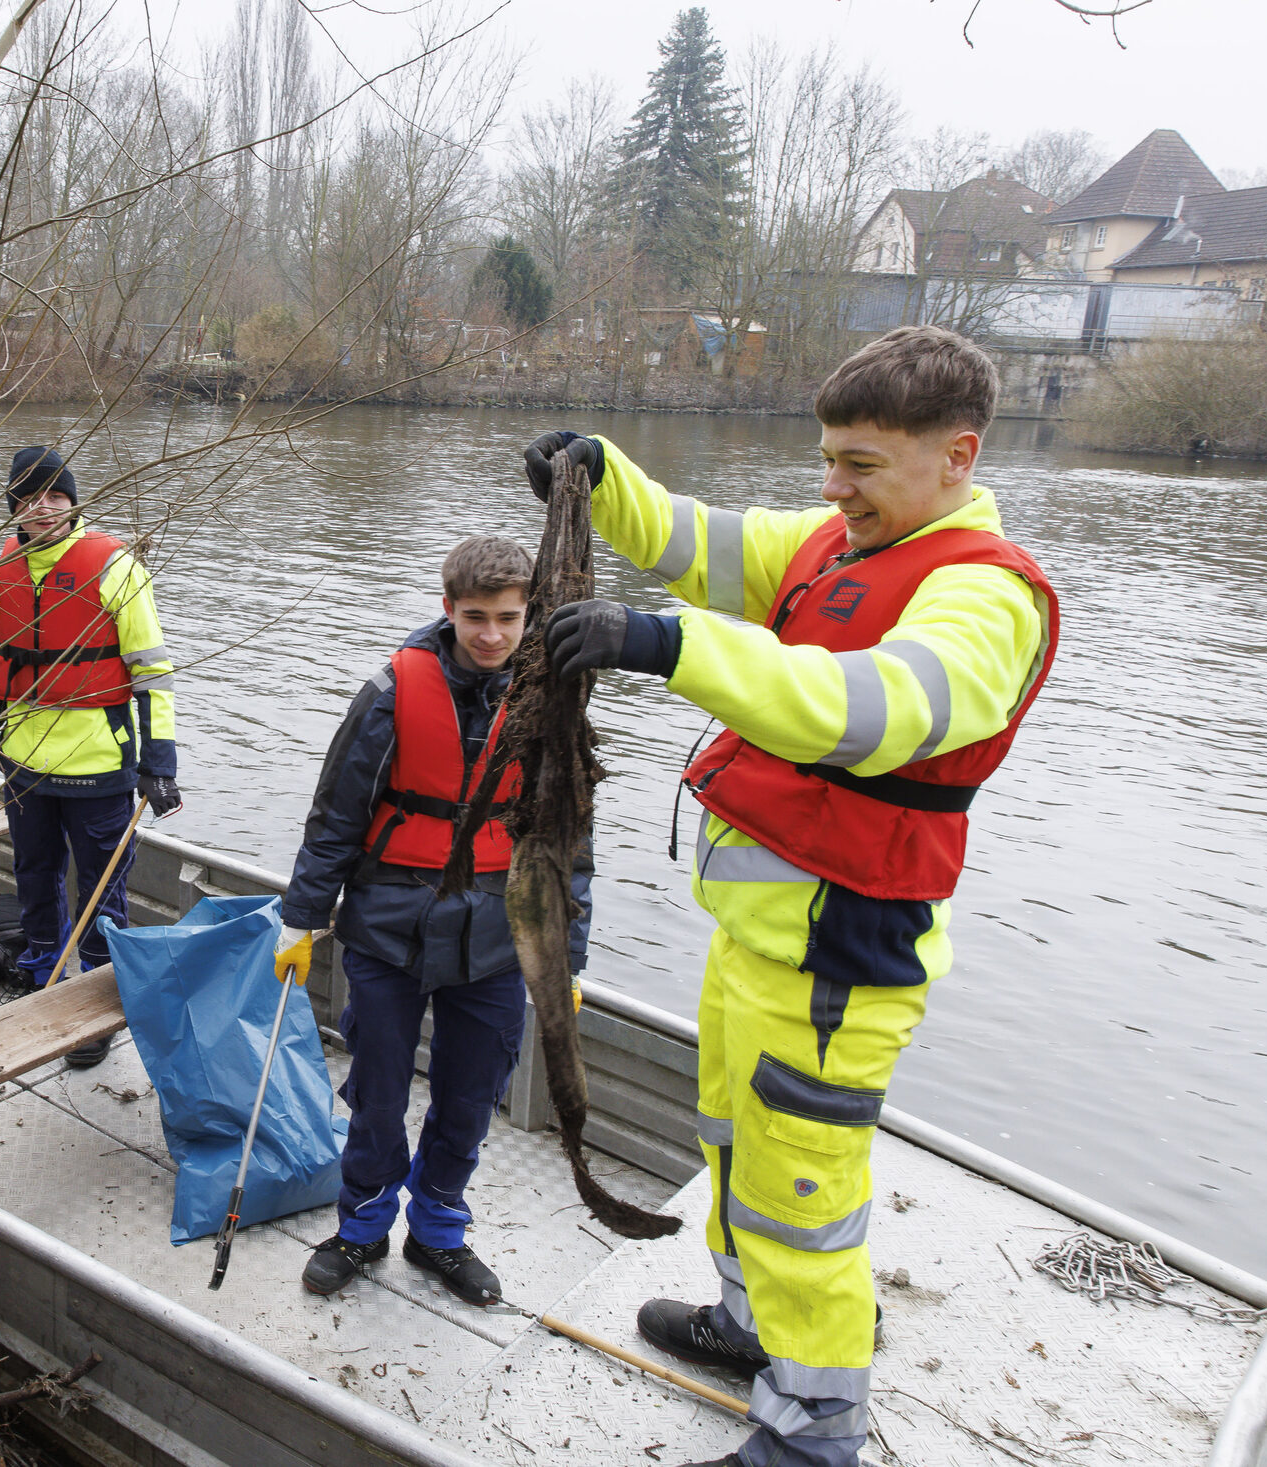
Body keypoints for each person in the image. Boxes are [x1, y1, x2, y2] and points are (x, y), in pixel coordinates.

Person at [524, 325, 1058, 1467]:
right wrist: (599, 474)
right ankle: (749, 1325)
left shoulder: (985, 598)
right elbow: (706, 544)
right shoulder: (835, 542)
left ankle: (814, 1432)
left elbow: (868, 708)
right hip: (759, 940)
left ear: (955, 456)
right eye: (829, 458)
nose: (833, 486)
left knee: (800, 1202)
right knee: (732, 1148)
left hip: (838, 959)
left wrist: (667, 646)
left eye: (860, 465)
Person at [278, 536, 593, 1308]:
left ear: (530, 616)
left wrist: (568, 958)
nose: (492, 635)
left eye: (509, 619)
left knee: (469, 1091)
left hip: (496, 935)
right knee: (378, 1091)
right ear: (447, 609)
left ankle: (439, 1230)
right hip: (389, 926)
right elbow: (335, 815)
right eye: (476, 617)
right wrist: (302, 919)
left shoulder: (550, 701)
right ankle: (362, 1224)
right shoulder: (391, 691)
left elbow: (567, 840)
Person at [0, 447, 181, 1068]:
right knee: (33, 872)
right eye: (28, 498)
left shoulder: (115, 566)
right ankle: (41, 975)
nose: (43, 508)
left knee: (103, 891)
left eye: (55, 495)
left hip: (99, 764)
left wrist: (160, 760)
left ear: (74, 501)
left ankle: (96, 1005)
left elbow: (152, 672)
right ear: (14, 509)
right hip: (23, 762)